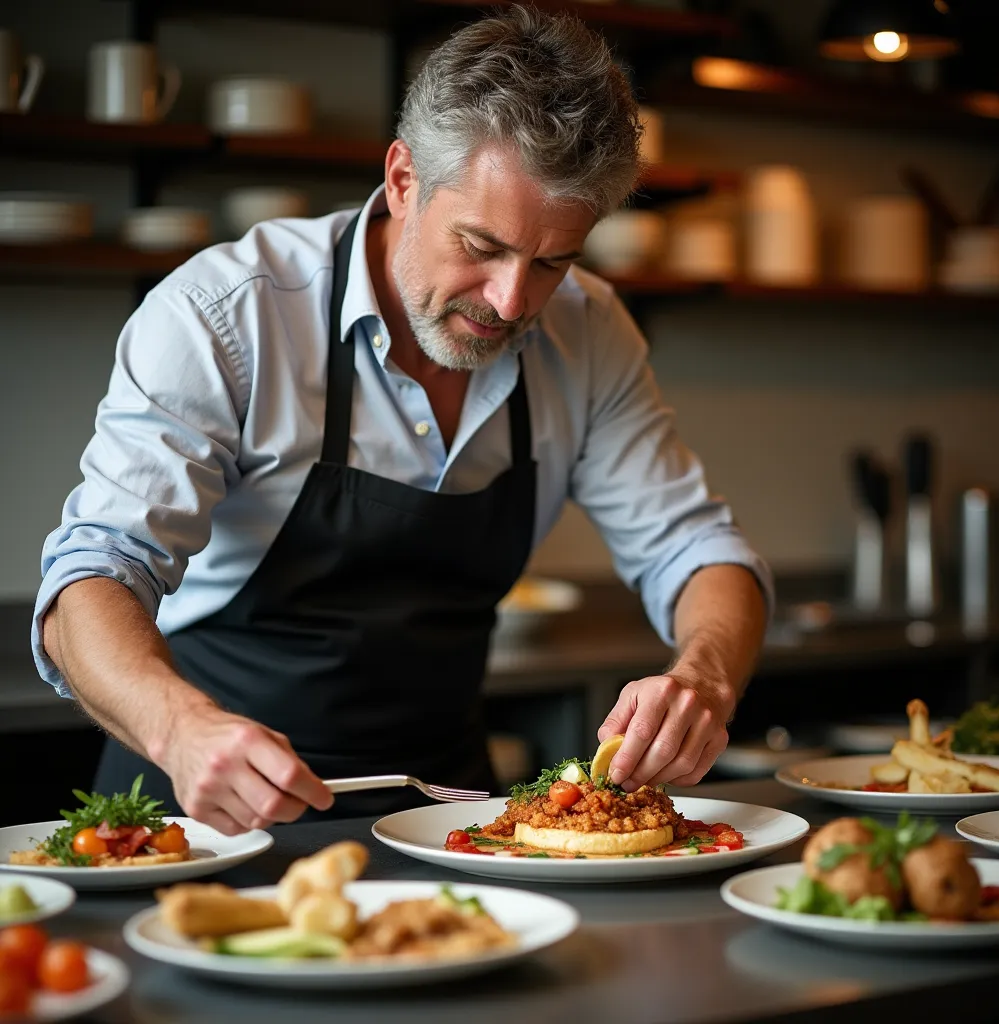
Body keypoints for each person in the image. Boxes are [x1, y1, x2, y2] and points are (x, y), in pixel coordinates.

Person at [34, 6, 772, 833]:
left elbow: (695, 548)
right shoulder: (226, 318)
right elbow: (91, 579)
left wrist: (705, 678)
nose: (511, 300)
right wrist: (177, 726)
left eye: (554, 262)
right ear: (402, 178)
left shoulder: (590, 333)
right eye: (481, 245)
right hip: (195, 815)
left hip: (446, 820)